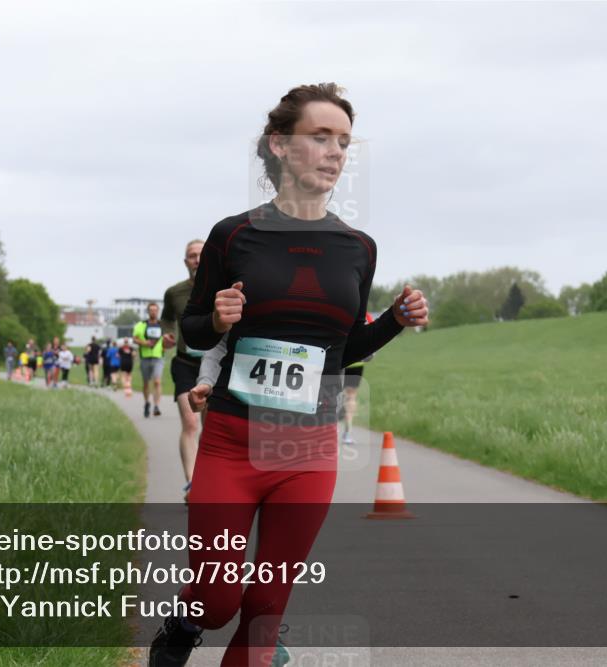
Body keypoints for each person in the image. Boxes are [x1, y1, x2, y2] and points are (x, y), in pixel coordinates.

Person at [149, 83, 428, 667]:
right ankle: (184, 624)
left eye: (345, 142)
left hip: (309, 449)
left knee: (264, 613)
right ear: (279, 144)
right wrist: (218, 316)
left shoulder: (357, 247)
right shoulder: (233, 234)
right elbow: (195, 331)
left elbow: (344, 346)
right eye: (320, 137)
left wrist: (395, 321)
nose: (335, 152)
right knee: (219, 599)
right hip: (232, 442)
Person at [162, 239, 207, 501]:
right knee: (190, 423)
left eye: (201, 255)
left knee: (209, 427)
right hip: (185, 364)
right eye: (192, 256)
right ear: (185, 262)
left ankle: (208, 479)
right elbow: (167, 318)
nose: (197, 260)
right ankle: (192, 485)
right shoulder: (174, 293)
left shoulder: (221, 289)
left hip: (214, 367)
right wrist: (168, 334)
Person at [340, 312, 375, 445]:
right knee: (351, 397)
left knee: (329, 392)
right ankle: (347, 433)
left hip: (338, 358)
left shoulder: (344, 305)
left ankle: (328, 429)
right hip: (357, 361)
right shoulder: (367, 316)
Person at [134, 303, 166, 417]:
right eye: (151, 310)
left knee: (157, 381)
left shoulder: (162, 325)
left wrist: (166, 345)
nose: (153, 312)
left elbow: (168, 338)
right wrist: (144, 343)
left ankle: (156, 406)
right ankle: (147, 403)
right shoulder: (141, 325)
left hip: (158, 357)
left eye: (155, 310)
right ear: (148, 312)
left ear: (158, 311)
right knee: (146, 383)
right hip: (145, 357)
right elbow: (135, 338)